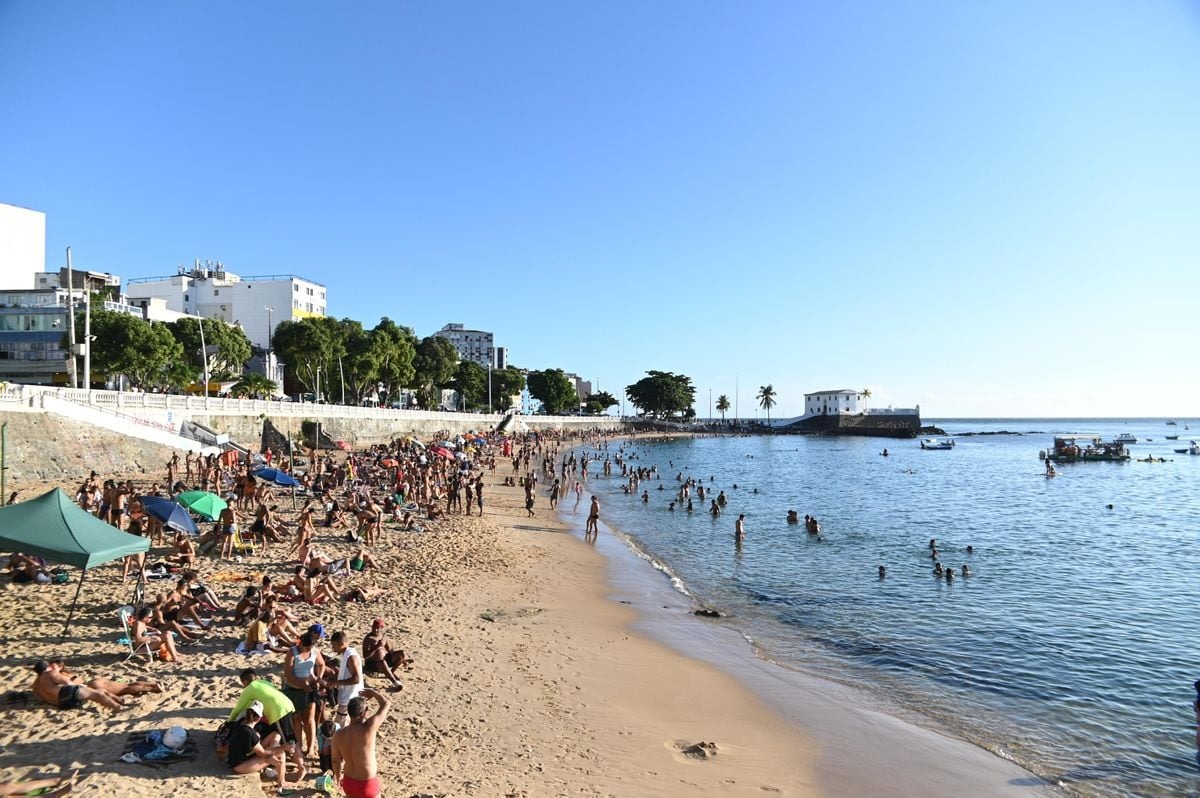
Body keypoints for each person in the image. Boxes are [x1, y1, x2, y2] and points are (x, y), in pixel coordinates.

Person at [227, 700, 306, 791]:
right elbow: (262, 753)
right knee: (280, 753)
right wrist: (282, 747)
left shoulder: (241, 722)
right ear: (260, 717)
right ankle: (282, 783)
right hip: (240, 766)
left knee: (275, 735)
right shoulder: (250, 733)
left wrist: (272, 749)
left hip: (238, 757)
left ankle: (272, 757)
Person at [31, 659, 159, 712]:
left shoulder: (35, 685)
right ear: (47, 667)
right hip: (67, 693)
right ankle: (119, 707)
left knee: (101, 691)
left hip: (61, 704)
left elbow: (40, 699)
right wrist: (78, 686)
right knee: (97, 694)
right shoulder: (50, 673)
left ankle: (121, 700)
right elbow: (66, 683)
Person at [331, 688, 390, 798]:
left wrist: (338, 775)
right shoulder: (369, 728)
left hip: (349, 783)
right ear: (363, 712)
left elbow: (335, 760)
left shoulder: (338, 735)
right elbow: (386, 704)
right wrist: (373, 693)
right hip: (367, 784)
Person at [229, 668, 300, 746]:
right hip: (288, 704)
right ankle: (298, 748)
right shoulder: (264, 682)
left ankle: (297, 756)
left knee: (289, 740)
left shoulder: (248, 690)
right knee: (292, 733)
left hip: (278, 711)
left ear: (245, 682)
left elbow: (238, 709)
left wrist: (229, 721)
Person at [328, 631, 364, 726]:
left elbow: (356, 679)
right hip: (349, 698)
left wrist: (336, 682)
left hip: (350, 698)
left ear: (341, 643)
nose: (333, 648)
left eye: (334, 645)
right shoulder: (346, 654)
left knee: (340, 726)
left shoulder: (351, 657)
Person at [361, 618, 407, 691]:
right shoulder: (368, 639)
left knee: (401, 653)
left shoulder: (383, 636)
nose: (375, 630)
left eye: (377, 628)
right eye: (374, 627)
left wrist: (401, 659)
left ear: (381, 628)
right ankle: (395, 683)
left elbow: (390, 650)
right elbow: (365, 656)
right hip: (373, 664)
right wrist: (376, 646)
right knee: (382, 662)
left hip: (385, 660)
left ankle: (390, 673)